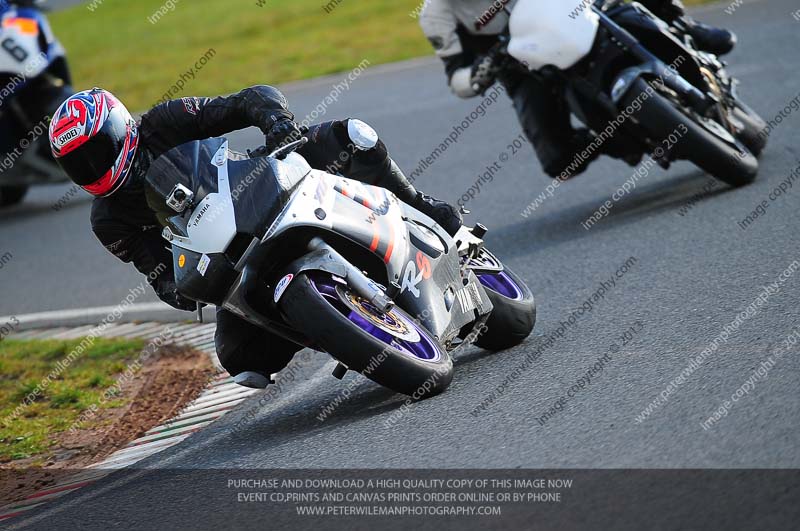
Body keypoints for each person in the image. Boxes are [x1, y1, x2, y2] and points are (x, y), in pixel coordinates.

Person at [47, 85, 462, 388]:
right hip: (225, 256)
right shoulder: (109, 219)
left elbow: (248, 100)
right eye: (78, 164)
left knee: (351, 136)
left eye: (96, 151)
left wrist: (276, 124)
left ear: (120, 127)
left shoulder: (165, 121)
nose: (92, 167)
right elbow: (155, 270)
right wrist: (180, 288)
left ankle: (420, 205)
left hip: (259, 186)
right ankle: (338, 329)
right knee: (239, 357)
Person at [420, 0, 737, 178]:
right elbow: (456, 77)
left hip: (577, 12)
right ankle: (615, 137)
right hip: (525, 65)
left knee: (628, 11)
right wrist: (482, 71)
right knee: (558, 161)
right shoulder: (436, 14)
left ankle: (688, 26)